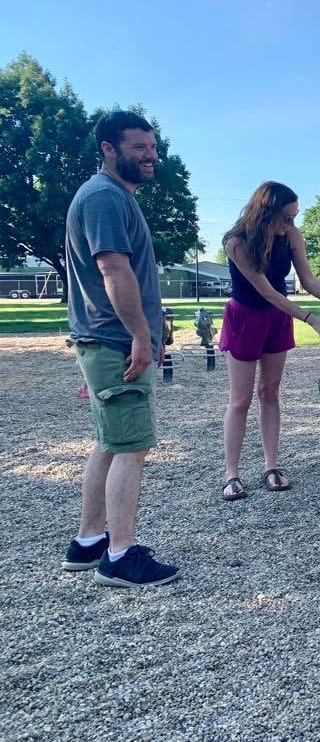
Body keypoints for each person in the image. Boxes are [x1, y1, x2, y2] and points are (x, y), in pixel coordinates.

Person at [62, 109, 180, 587]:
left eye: (152, 147)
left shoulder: (112, 197)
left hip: (106, 340)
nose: (150, 156)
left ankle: (88, 542)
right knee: (132, 448)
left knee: (111, 445)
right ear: (108, 149)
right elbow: (113, 271)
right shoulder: (104, 198)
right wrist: (139, 337)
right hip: (115, 341)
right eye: (138, 148)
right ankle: (120, 555)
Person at [219, 181, 320, 501]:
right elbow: (266, 291)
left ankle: (271, 466)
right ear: (265, 214)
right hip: (245, 317)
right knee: (241, 399)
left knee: (270, 392)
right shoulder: (236, 242)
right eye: (285, 218)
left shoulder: (291, 235)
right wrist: (311, 319)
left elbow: (308, 281)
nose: (290, 225)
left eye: (294, 218)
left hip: (277, 318)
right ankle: (231, 474)